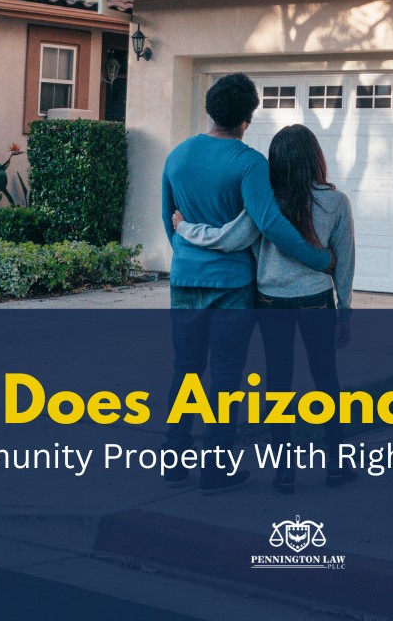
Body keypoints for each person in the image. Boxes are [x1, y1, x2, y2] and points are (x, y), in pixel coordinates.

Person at [161, 74, 333, 495]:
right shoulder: (250, 163)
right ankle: (216, 471)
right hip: (233, 284)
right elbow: (271, 223)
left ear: (210, 110)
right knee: (223, 377)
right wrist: (318, 258)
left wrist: (189, 258)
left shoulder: (177, 156)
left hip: (186, 278)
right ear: (247, 118)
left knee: (185, 371)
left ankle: (174, 460)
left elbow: (169, 221)